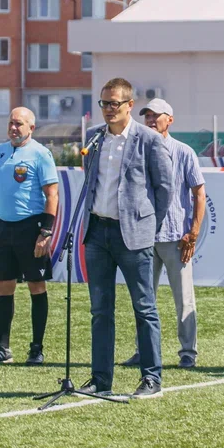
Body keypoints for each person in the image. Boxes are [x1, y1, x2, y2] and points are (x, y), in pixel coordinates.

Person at [77, 78, 173, 400]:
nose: (107, 109)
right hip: (97, 233)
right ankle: (100, 379)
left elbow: (165, 189)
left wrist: (149, 225)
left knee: (144, 308)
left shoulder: (148, 140)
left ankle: (151, 379)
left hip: (133, 235)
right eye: (103, 103)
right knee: (100, 310)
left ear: (129, 105)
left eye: (114, 104)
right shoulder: (94, 139)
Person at [118, 98, 205, 369]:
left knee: (184, 298)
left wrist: (193, 232)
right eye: (147, 116)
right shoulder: (136, 150)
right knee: (144, 298)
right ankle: (143, 350)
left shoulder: (183, 151)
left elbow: (199, 193)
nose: (151, 120)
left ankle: (188, 352)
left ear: (170, 120)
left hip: (176, 236)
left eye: (157, 116)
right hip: (144, 235)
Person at [0, 108, 59, 366]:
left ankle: (36, 349)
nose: (14, 128)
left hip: (31, 227)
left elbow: (52, 195)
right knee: (4, 285)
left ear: (31, 128)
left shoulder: (41, 154)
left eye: (19, 124)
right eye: (11, 123)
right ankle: (2, 348)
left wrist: (45, 232)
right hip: (3, 227)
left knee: (36, 285)